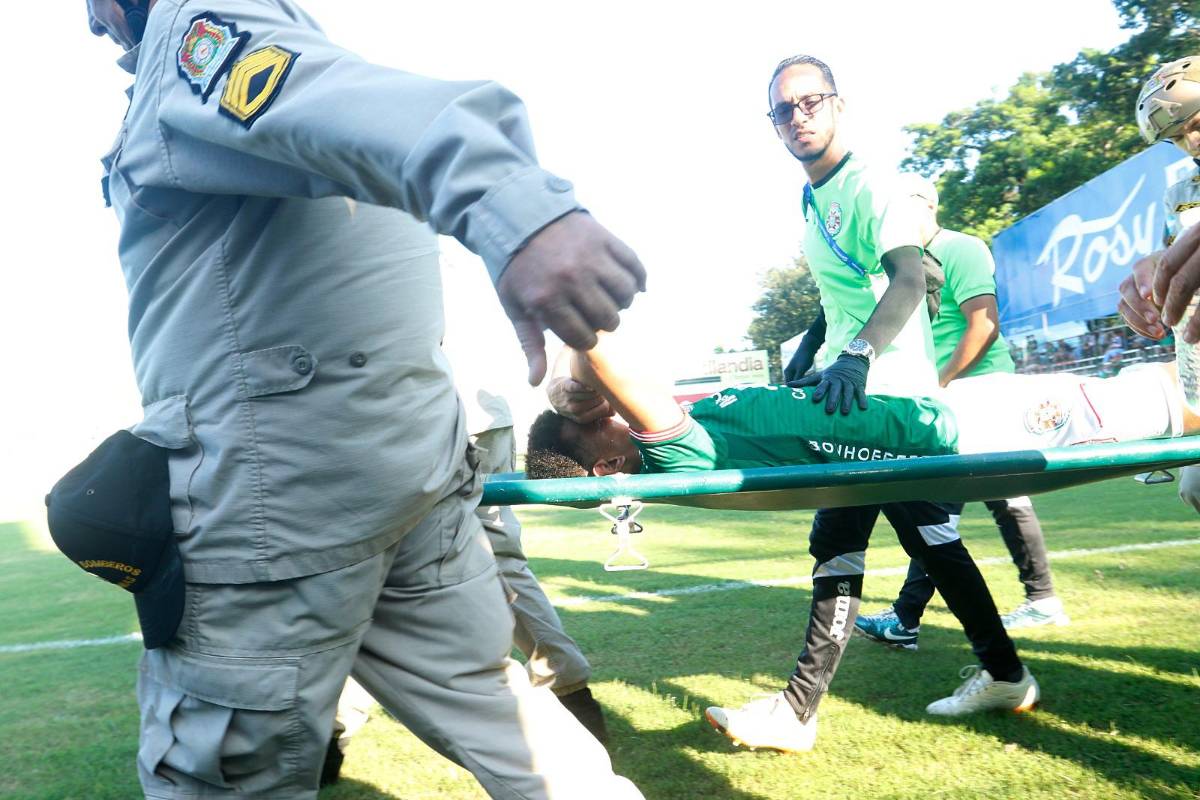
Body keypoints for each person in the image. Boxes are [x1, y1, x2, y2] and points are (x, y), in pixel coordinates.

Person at [84, 1, 647, 797]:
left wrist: (518, 211)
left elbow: (351, 107)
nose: (89, 22)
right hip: (405, 482)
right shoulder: (270, 47)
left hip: (278, 505)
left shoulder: (195, 31)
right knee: (495, 711)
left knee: (215, 776)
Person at [852, 175, 1068, 653]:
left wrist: (941, 382)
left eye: (900, 203)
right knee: (971, 502)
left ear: (927, 204)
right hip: (951, 394)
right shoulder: (902, 261)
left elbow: (984, 325)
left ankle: (910, 618)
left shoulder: (960, 248)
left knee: (946, 504)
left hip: (978, 391)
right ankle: (1037, 599)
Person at [1120, 56, 1200, 514]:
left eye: (1198, 123)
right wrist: (1154, 277)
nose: (1191, 142)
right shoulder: (1181, 194)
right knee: (1196, 484)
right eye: (1177, 137)